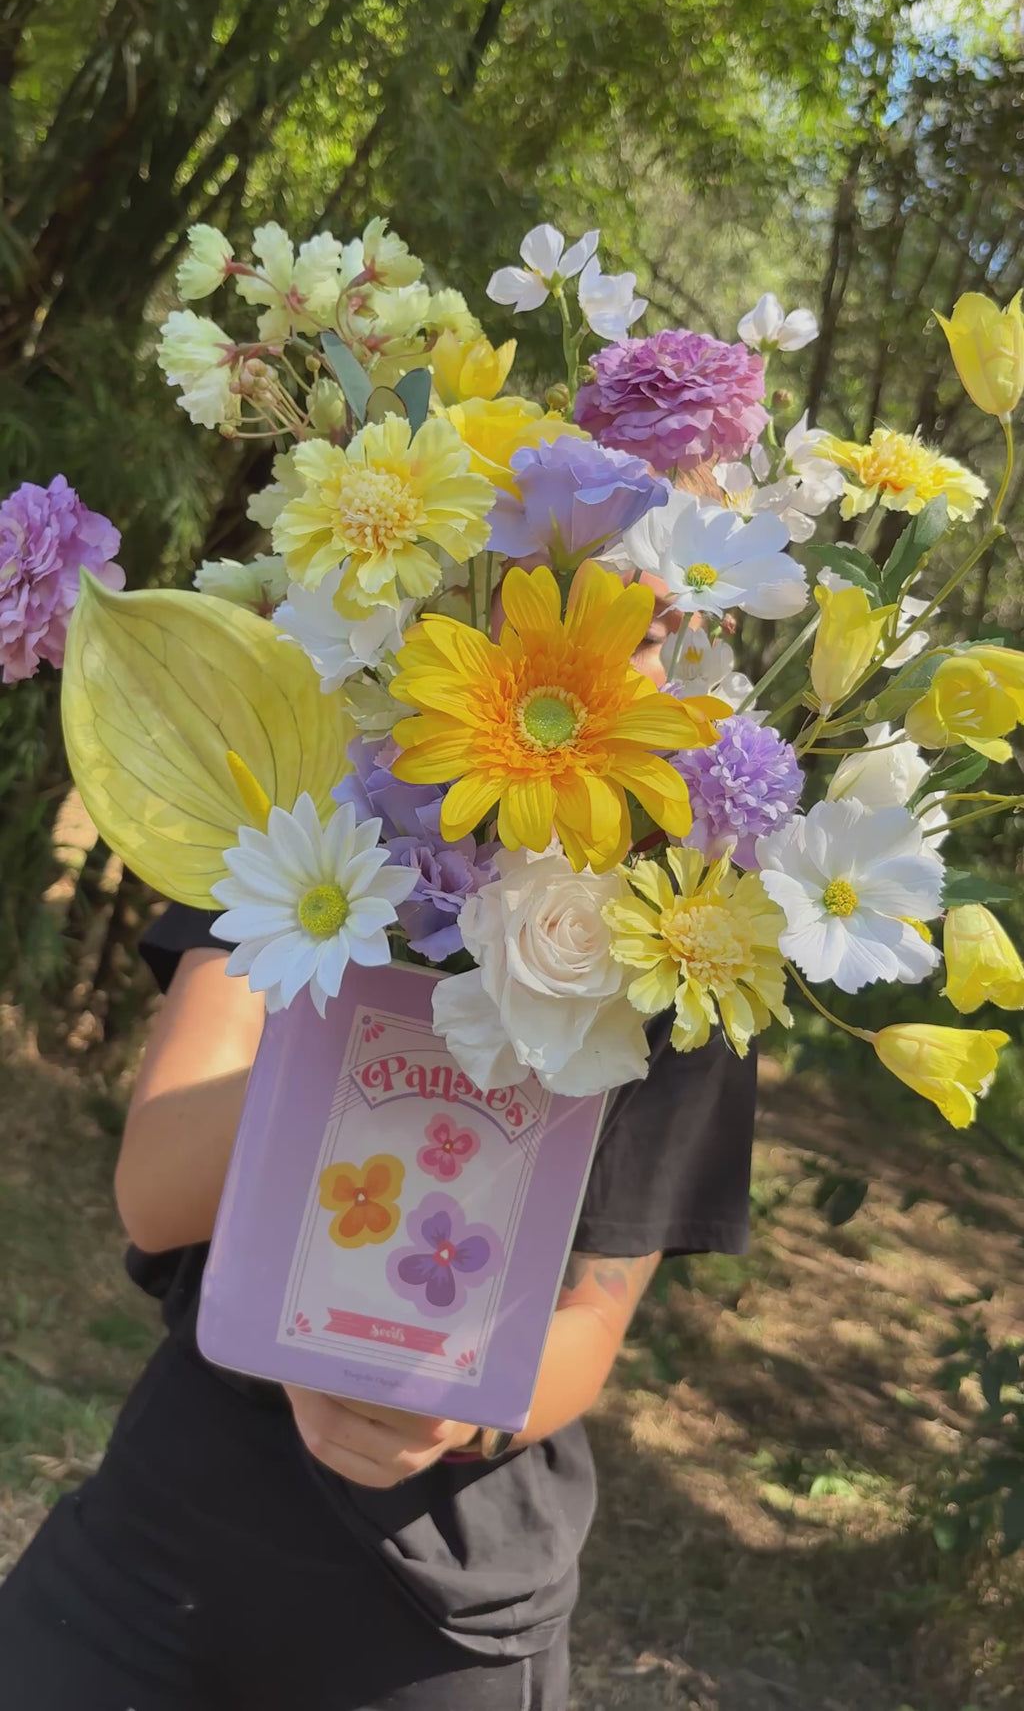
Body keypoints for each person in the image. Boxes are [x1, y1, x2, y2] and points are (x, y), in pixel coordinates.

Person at [0, 590, 756, 1711]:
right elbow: (155, 1189)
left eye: (645, 633)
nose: (587, 662)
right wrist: (391, 991)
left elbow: (593, 1319)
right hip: (165, 1537)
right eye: (538, 605)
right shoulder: (306, 826)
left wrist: (454, 1408)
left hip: (435, 1598)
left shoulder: (694, 946)